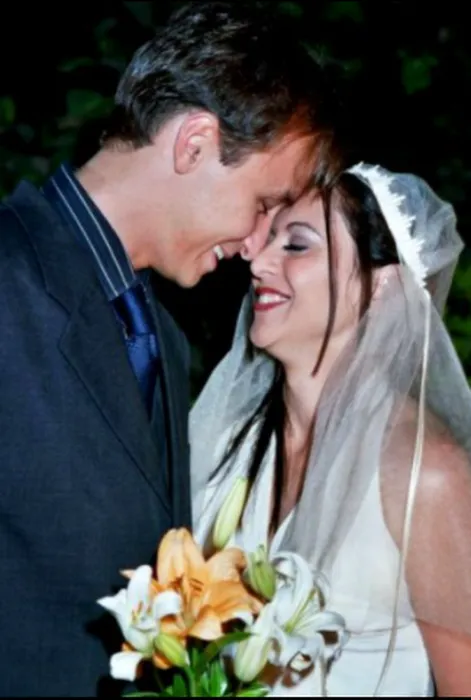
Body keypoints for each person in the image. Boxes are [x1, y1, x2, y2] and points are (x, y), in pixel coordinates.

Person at [0, 2, 345, 696]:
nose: (256, 246)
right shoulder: (9, 279)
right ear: (194, 144)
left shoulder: (164, 337)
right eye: (264, 203)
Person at [191, 163, 471, 696]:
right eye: (267, 240)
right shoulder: (230, 442)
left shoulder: (425, 475)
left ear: (382, 284)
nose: (259, 261)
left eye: (296, 246)